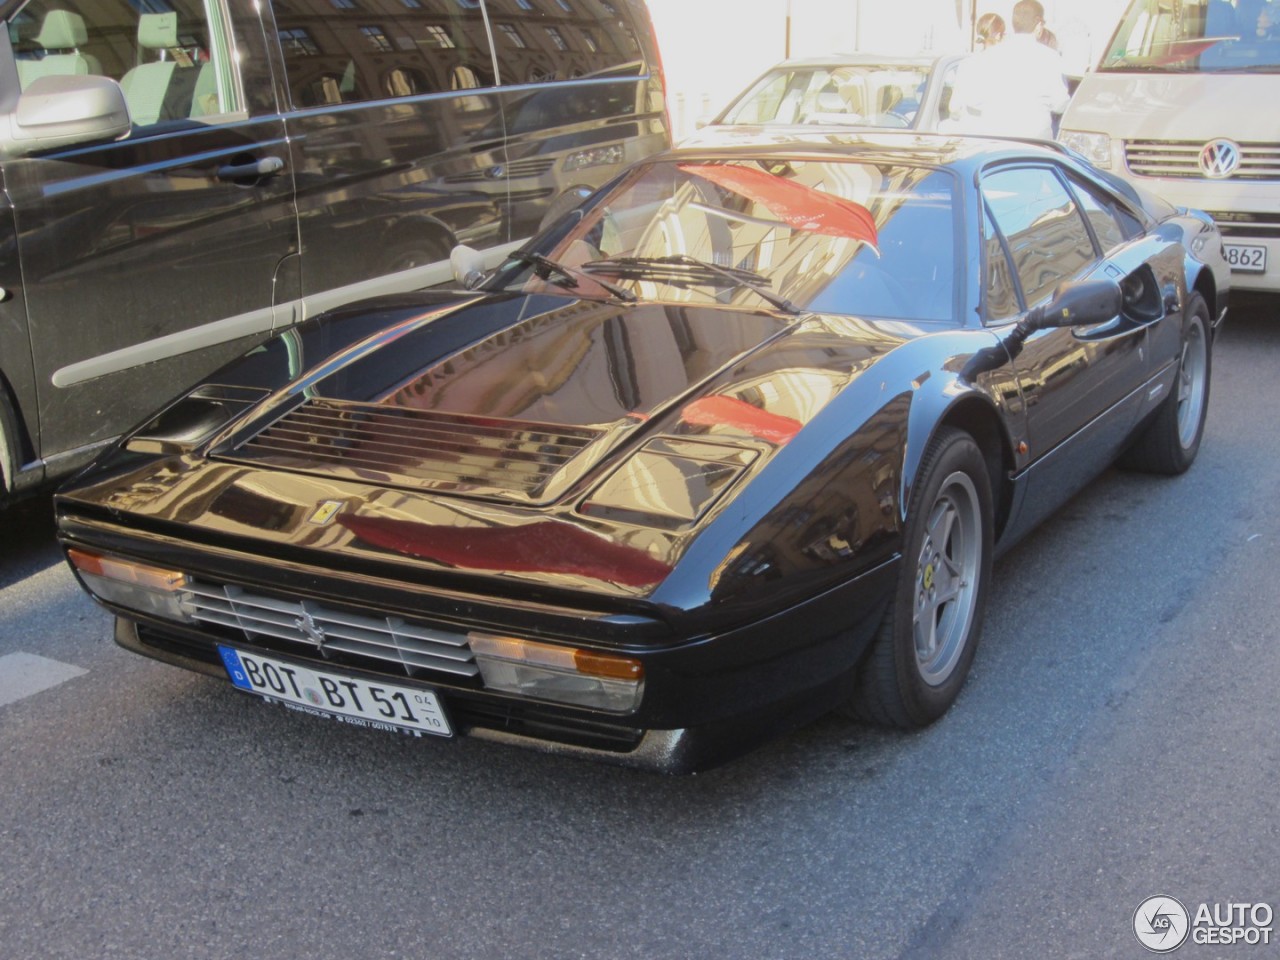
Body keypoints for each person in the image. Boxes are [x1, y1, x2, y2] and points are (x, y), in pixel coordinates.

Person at [947, 0, 1069, 139]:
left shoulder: (987, 57)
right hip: (1035, 146)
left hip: (996, 143)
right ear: (1039, 24)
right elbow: (1060, 104)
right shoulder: (1049, 58)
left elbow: (969, 102)